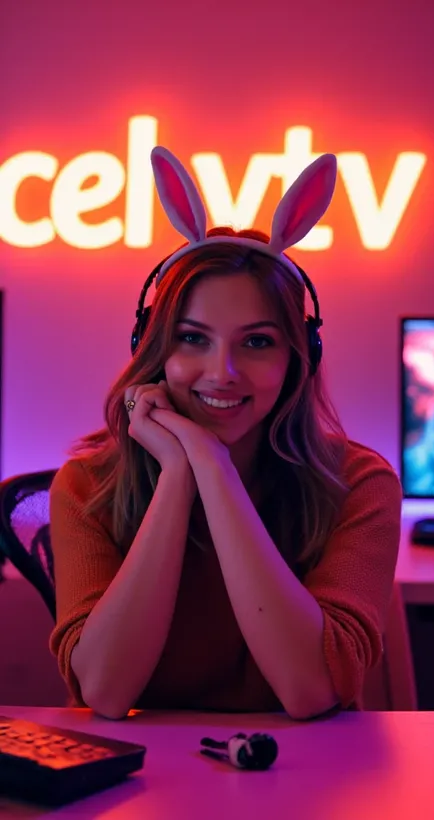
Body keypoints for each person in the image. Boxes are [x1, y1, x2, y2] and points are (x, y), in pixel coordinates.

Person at [49, 147, 402, 721]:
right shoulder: (87, 486)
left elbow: (309, 688)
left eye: (257, 342)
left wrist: (211, 467)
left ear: (299, 356)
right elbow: (108, 693)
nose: (222, 372)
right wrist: (178, 478)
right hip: (137, 793)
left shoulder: (360, 485)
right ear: (153, 350)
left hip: (307, 789)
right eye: (193, 338)